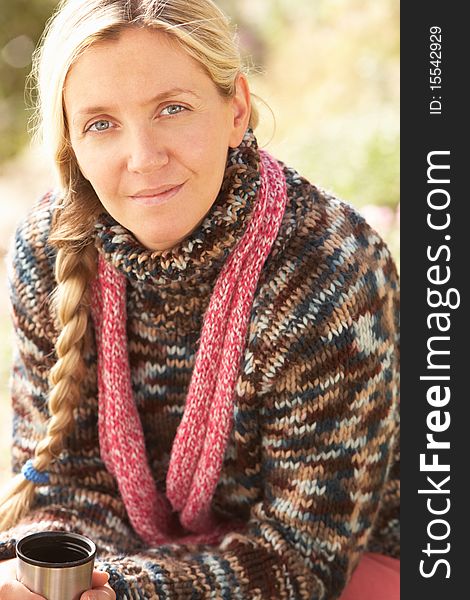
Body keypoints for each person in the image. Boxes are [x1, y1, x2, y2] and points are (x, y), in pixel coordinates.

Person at [0, 0, 400, 598]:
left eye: (172, 108)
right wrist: (54, 579)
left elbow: (304, 557)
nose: (144, 157)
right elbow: (69, 488)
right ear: (71, 142)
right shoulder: (52, 251)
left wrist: (128, 590)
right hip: (146, 555)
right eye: (101, 123)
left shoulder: (329, 268)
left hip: (353, 564)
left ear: (235, 109)